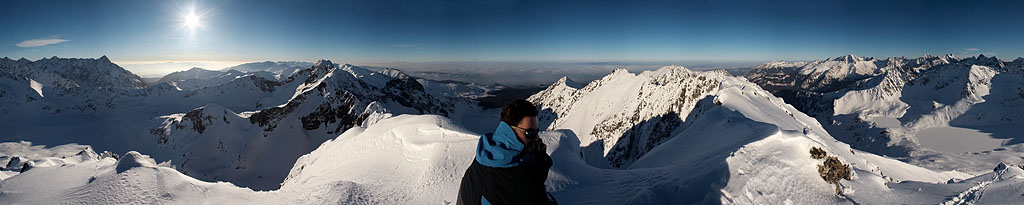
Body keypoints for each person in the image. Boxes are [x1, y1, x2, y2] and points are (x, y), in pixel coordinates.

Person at [457, 99, 556, 205]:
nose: (536, 138)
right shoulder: (516, 180)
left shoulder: (485, 156)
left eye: (536, 132)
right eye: (530, 133)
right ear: (510, 131)